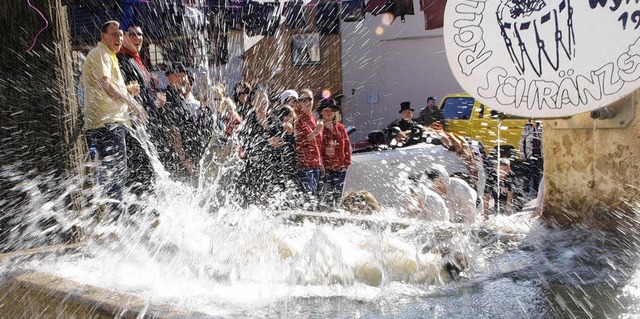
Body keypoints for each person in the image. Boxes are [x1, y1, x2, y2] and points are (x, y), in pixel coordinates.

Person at [82, 20, 147, 220]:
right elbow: (105, 85)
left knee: (116, 169)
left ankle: (115, 216)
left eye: (120, 35)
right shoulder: (100, 54)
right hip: (105, 122)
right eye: (114, 34)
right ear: (103, 36)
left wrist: (127, 90)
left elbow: (108, 86)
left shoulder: (109, 56)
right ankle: (115, 219)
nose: (119, 38)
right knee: (116, 170)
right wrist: (132, 102)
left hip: (111, 122)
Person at [117, 24, 155, 198]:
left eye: (140, 34)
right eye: (132, 34)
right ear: (124, 37)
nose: (137, 38)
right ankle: (140, 207)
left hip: (144, 121)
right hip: (132, 123)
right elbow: (118, 89)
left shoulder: (135, 59)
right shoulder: (121, 60)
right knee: (140, 166)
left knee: (149, 166)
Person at [291, 89, 324, 209]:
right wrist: (316, 132)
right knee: (308, 198)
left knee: (314, 198)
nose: (306, 102)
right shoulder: (298, 118)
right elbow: (300, 141)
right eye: (302, 99)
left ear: (312, 100)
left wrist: (321, 164)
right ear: (299, 102)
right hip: (305, 165)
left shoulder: (314, 120)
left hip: (316, 165)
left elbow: (319, 145)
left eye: (308, 99)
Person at [317, 98, 352, 209]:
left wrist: (347, 163)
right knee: (326, 196)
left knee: (337, 196)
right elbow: (316, 148)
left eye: (332, 110)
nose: (330, 113)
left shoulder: (340, 127)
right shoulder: (319, 128)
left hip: (340, 168)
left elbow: (347, 144)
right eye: (326, 110)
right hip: (326, 169)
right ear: (321, 112)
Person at [519, 119, 543, 198]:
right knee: (527, 173)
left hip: (539, 154)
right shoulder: (527, 127)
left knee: (537, 173)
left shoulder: (541, 127)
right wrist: (522, 155)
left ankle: (536, 192)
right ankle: (526, 191)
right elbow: (522, 142)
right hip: (529, 155)